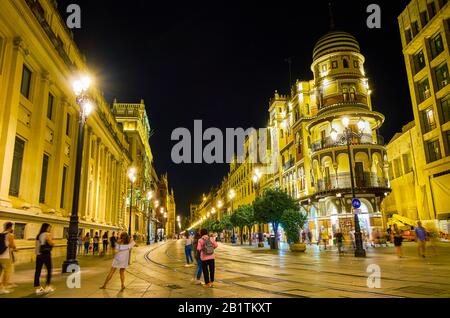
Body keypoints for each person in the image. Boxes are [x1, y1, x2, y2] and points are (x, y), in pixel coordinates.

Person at [34, 223, 55, 295]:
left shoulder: (38, 235)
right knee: (49, 269)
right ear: (46, 228)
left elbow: (37, 247)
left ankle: (37, 288)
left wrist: (38, 254)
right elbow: (51, 243)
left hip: (39, 255)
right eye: (49, 228)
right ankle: (47, 286)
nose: (50, 229)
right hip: (46, 254)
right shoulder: (47, 234)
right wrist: (52, 241)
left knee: (38, 271)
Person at [0, 222, 17, 294]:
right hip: (5, 256)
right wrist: (15, 248)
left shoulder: (1, 234)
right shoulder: (9, 235)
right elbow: (12, 245)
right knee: (7, 272)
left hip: (0, 255)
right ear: (10, 227)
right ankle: (2, 288)